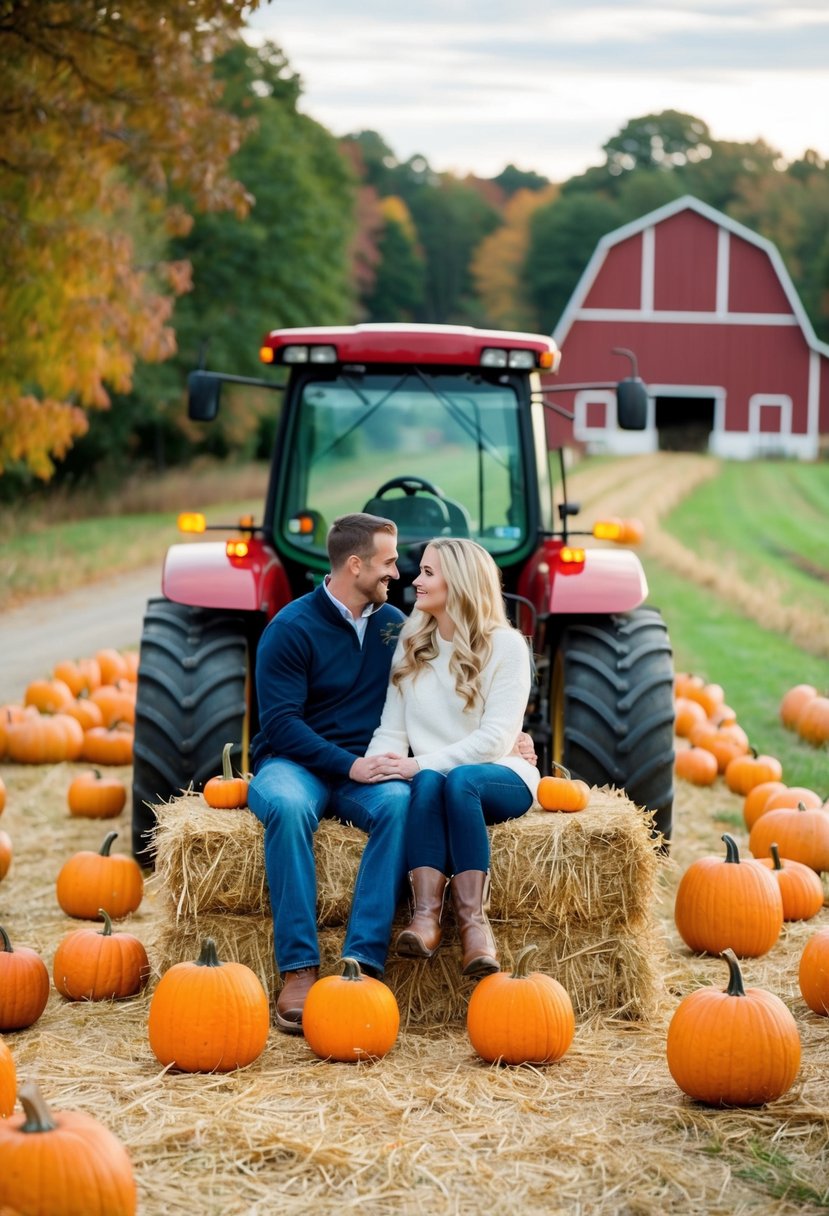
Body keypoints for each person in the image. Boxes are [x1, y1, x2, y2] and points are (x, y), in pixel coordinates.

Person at [247, 512, 411, 1033]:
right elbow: (281, 725)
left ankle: (359, 964)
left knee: (401, 804)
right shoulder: (291, 628)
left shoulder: (395, 626)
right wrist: (350, 765)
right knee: (290, 808)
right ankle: (299, 968)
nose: (398, 573)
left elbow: (439, 697)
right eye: (388, 563)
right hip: (295, 764)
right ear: (355, 564)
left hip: (364, 768)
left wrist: (509, 738)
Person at [365, 536, 540, 977]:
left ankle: (473, 925)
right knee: (430, 782)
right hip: (434, 782)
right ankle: (425, 917)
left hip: (499, 775)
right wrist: (374, 773)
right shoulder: (413, 639)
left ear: (459, 582)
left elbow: (495, 739)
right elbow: (392, 728)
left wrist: (418, 764)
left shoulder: (507, 646)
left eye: (427, 573)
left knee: (455, 780)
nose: (414, 580)